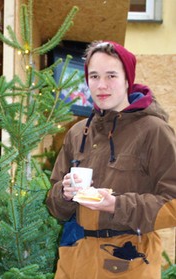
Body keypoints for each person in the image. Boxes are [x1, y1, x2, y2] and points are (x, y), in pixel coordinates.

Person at [46, 41, 176, 278]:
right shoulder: (77, 133)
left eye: (111, 75)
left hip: (129, 262)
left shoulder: (154, 131)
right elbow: (55, 207)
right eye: (94, 76)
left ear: (128, 79)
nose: (101, 85)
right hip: (74, 261)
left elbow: (173, 205)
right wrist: (63, 194)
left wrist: (117, 205)